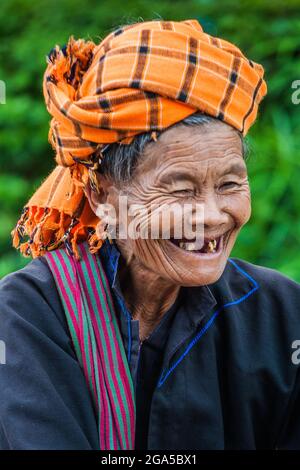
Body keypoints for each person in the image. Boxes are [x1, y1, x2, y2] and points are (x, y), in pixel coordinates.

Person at [0, 18, 299, 450]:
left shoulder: (280, 314)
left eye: (230, 185)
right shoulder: (30, 316)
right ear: (102, 195)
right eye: (180, 189)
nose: (212, 216)